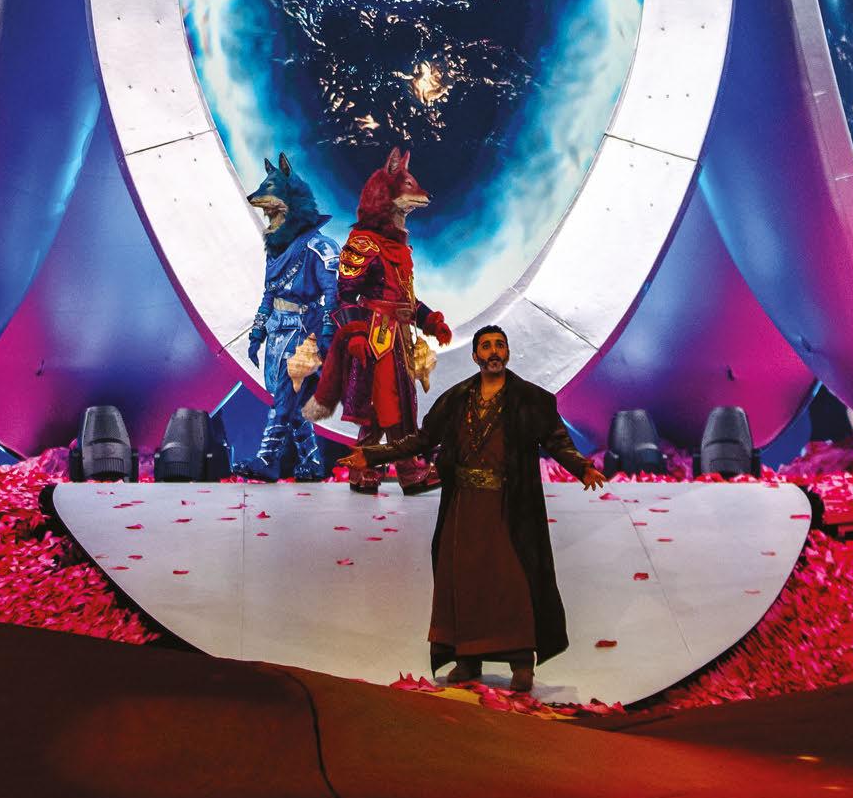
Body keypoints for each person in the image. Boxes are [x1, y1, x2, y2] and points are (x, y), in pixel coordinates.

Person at [345, 324, 606, 694]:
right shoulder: (456, 399)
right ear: (475, 355)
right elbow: (421, 440)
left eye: (499, 345)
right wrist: (371, 455)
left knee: (511, 580)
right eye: (486, 346)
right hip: (464, 506)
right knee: (464, 581)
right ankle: (468, 659)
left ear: (508, 353)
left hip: (507, 504)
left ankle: (521, 662)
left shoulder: (530, 399)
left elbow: (556, 440)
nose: (493, 351)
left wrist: (582, 467)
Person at [304, 146, 451, 492]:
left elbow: (403, 299)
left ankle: (364, 469)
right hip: (378, 337)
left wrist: (430, 321)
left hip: (400, 337)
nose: (418, 196)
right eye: (409, 188)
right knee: (391, 404)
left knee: (388, 407)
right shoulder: (364, 244)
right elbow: (344, 294)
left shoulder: (396, 247)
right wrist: (355, 333)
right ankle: (408, 471)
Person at [241, 151, 338, 482]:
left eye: (272, 201)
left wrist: (326, 334)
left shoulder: (320, 247)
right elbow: (269, 292)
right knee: (291, 401)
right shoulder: (276, 250)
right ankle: (311, 462)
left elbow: (333, 293)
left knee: (285, 396)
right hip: (277, 329)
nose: (266, 210)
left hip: (303, 332)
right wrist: (257, 333)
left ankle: (267, 459)